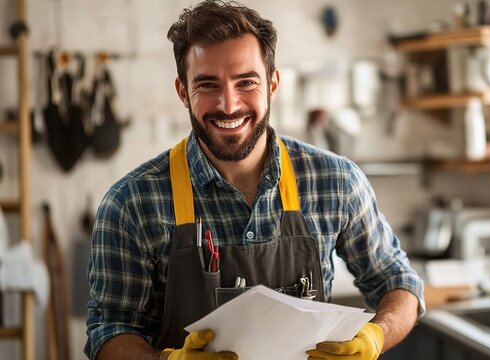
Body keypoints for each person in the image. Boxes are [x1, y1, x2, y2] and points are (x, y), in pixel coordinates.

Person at [85, 1, 425, 359]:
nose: (229, 105)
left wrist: (375, 337)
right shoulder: (131, 204)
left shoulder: (336, 182)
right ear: (183, 91)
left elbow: (399, 284)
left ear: (273, 84)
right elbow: (108, 329)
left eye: (246, 81)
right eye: (207, 84)